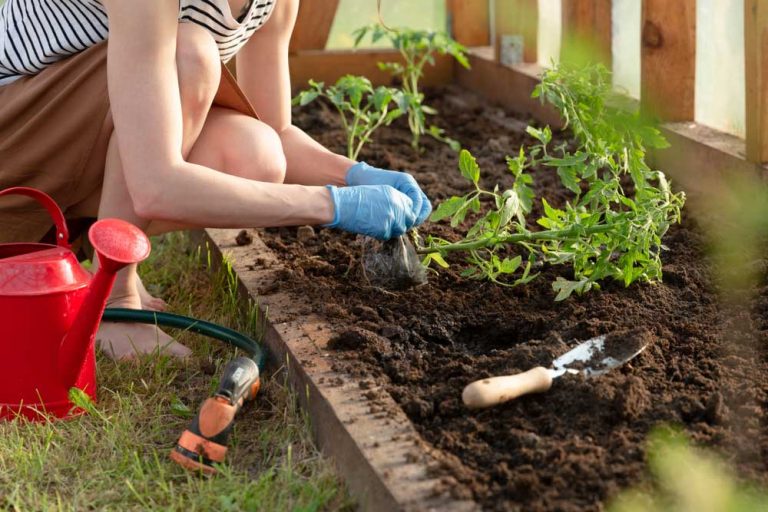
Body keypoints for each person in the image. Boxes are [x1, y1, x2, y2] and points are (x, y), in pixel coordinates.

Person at [0, 0, 431, 359]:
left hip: (65, 146)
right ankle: (113, 301)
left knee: (256, 155)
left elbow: (277, 130)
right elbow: (156, 184)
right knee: (189, 52)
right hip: (14, 147)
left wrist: (355, 175)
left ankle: (81, 249)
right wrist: (332, 206)